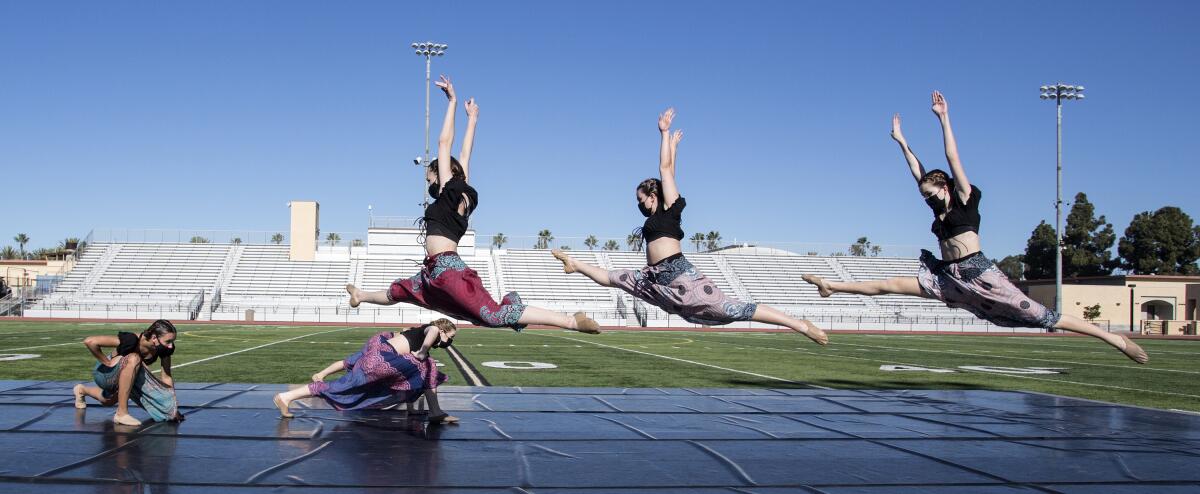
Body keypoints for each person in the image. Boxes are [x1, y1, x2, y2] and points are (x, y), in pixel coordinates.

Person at [802, 91, 1146, 364]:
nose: (928, 199)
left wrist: (944, 118)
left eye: (931, 193)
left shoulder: (965, 198)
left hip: (979, 273)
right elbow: (917, 172)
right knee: (890, 284)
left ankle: (1114, 339)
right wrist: (902, 142)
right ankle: (832, 286)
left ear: (946, 187)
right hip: (948, 276)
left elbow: (952, 158)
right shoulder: (936, 206)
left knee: (1043, 317)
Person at [346, 75, 601, 334]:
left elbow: (444, 143)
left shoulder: (449, 188)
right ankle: (360, 295)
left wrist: (453, 102)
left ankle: (570, 321)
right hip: (434, 273)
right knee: (399, 291)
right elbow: (466, 153)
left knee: (492, 315)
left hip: (446, 271)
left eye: (429, 177)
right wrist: (472, 119)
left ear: (440, 172)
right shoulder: (462, 189)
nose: (430, 184)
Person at [552, 108, 827, 344]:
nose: (639, 205)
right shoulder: (653, 216)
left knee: (734, 309)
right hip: (654, 277)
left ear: (653, 195)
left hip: (680, 277)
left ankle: (801, 325)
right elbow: (669, 169)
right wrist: (673, 146)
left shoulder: (671, 209)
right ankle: (575, 265)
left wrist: (664, 135)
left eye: (641, 199)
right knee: (614, 278)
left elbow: (666, 169)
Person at [273, 319, 459, 424]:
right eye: (450, 336)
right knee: (427, 365)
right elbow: (432, 333)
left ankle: (435, 412)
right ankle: (286, 396)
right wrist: (423, 352)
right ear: (443, 330)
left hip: (381, 359)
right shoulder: (432, 329)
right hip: (381, 360)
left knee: (427, 369)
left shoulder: (418, 333)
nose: (450, 341)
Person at [73, 319, 184, 425]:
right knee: (134, 358)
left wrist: (172, 405)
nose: (171, 345)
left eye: (172, 341)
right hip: (104, 373)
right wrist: (107, 362)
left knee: (108, 401)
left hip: (127, 375)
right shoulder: (132, 339)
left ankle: (81, 390)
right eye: (168, 341)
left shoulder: (165, 349)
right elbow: (90, 341)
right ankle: (121, 413)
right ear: (154, 338)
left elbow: (166, 377)